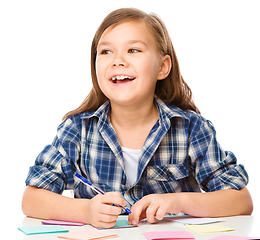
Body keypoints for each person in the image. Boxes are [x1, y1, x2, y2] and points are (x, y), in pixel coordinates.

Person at [22, 8, 253, 228]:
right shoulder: (77, 129)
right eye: (106, 51)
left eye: (133, 50)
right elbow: (31, 200)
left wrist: (179, 202)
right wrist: (85, 210)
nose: (118, 60)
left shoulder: (191, 128)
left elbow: (241, 201)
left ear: (163, 67)